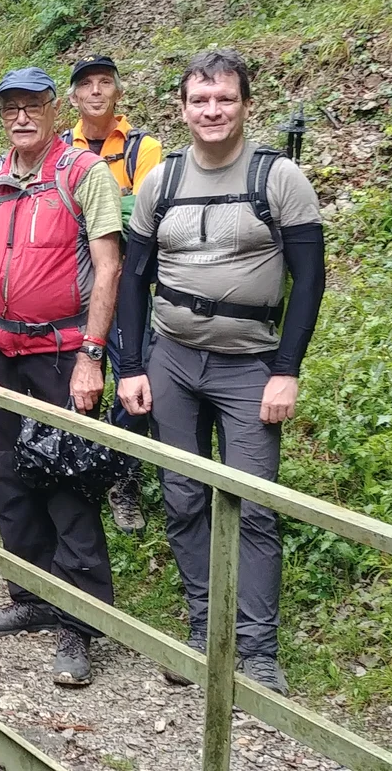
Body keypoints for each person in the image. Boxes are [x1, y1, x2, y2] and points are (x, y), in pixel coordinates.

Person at [115, 49, 325, 697]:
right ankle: (207, 630)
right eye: (200, 101)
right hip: (172, 359)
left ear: (244, 104)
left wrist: (286, 371)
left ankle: (258, 653)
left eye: (225, 99)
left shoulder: (279, 177)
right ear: (182, 108)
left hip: (249, 366)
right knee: (181, 497)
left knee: (254, 504)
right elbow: (133, 277)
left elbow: (311, 278)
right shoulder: (161, 181)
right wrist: (129, 365)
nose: (212, 111)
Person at [0, 66, 123, 687]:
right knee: (10, 477)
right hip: (3, 351)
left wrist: (92, 355)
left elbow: (108, 269)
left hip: (62, 353)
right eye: (11, 108)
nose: (21, 117)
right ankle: (31, 595)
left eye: (33, 106)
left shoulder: (85, 174)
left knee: (69, 481)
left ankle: (81, 623)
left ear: (55, 109)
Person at [61, 55, 165, 535]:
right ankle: (78, 472)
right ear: (74, 97)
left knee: (130, 381)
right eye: (87, 85)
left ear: (118, 92)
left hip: (128, 289)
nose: (96, 92)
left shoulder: (144, 147)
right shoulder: (61, 147)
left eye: (105, 83)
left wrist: (91, 205)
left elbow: (143, 214)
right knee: (74, 377)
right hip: (74, 286)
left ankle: (123, 481)